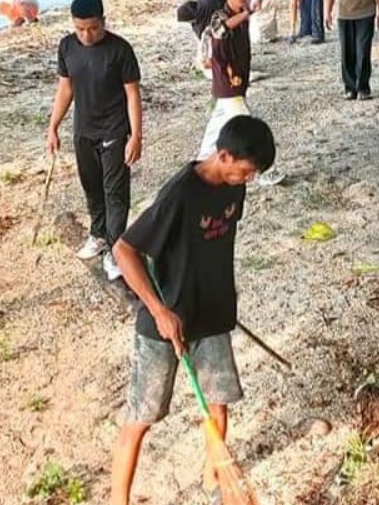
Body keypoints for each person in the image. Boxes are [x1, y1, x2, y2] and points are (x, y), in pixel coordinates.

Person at [109, 115, 276, 505]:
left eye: (253, 175)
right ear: (223, 155)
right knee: (143, 416)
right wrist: (160, 311)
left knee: (217, 406)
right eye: (245, 172)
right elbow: (124, 251)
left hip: (212, 315)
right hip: (164, 324)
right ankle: (118, 499)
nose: (248, 181)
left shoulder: (235, 189)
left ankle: (213, 482)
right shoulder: (180, 195)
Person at [47, 0, 143, 280]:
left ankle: (116, 249)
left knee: (115, 193)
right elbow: (66, 88)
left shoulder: (120, 50)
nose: (86, 35)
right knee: (92, 187)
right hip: (83, 130)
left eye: (92, 28)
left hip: (114, 130)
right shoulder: (67, 46)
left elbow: (132, 94)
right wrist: (53, 126)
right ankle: (98, 234)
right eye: (80, 29)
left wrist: (136, 136)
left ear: (103, 22)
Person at [196, 0, 254, 159]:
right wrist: (246, 14)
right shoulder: (220, 15)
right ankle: (265, 168)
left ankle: (202, 159)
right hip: (227, 81)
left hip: (237, 78)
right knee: (247, 123)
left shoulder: (242, 17)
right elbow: (220, 29)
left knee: (216, 125)